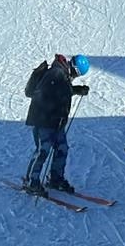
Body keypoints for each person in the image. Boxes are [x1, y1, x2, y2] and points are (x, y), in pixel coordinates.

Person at [23, 53, 90, 195]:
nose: (75, 77)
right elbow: (47, 93)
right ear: (74, 69)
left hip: (56, 122)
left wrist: (77, 90)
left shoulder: (63, 74)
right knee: (43, 151)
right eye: (76, 74)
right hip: (44, 120)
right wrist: (54, 110)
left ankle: (55, 179)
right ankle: (32, 181)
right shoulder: (56, 73)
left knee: (62, 148)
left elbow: (63, 89)